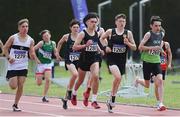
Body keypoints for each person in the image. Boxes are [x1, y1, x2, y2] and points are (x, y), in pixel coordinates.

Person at [100, 13, 136, 113]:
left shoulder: (128, 33)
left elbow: (134, 47)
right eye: (120, 21)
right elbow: (101, 39)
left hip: (121, 60)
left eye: (123, 21)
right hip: (111, 59)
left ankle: (111, 99)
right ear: (116, 22)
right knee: (118, 77)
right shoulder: (110, 31)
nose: (122, 23)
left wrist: (128, 43)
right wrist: (105, 47)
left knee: (118, 80)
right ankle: (113, 99)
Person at [3, 18, 37, 111]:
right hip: (13, 65)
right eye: (23, 26)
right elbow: (5, 48)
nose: (25, 28)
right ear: (19, 28)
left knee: (21, 85)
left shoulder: (30, 40)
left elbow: (31, 52)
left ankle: (15, 104)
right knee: (13, 86)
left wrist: (33, 56)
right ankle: (9, 77)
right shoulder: (13, 38)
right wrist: (9, 57)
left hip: (23, 65)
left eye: (26, 26)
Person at [71, 13, 103, 109]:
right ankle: (74, 93)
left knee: (96, 76)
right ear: (86, 23)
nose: (94, 24)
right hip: (84, 59)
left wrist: (99, 50)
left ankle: (94, 100)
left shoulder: (97, 32)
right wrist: (85, 45)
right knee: (80, 81)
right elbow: (74, 47)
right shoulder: (82, 33)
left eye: (95, 22)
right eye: (92, 22)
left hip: (94, 58)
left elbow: (95, 42)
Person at [135, 16, 166, 111]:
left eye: (159, 26)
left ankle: (160, 103)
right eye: (156, 26)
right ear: (151, 26)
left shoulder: (162, 34)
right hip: (147, 62)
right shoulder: (148, 34)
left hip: (156, 61)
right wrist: (152, 48)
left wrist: (161, 50)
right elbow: (140, 47)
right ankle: (138, 80)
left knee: (160, 81)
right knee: (147, 85)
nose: (158, 28)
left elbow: (160, 43)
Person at [57, 19, 80, 109]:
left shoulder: (81, 36)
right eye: (74, 27)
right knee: (75, 74)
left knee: (75, 77)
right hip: (69, 60)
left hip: (79, 60)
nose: (76, 29)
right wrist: (57, 53)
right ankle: (70, 92)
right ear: (70, 28)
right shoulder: (66, 36)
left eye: (77, 27)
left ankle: (65, 99)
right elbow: (59, 43)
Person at [82, 12, 105, 107]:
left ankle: (89, 92)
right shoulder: (85, 30)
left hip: (97, 54)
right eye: (93, 20)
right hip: (87, 56)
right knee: (90, 74)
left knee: (95, 75)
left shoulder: (101, 30)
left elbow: (103, 40)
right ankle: (87, 90)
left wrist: (105, 46)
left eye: (97, 20)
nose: (95, 22)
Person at [34, 29, 58, 102]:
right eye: (44, 36)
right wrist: (36, 59)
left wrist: (57, 56)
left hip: (48, 64)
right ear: (43, 38)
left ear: (50, 35)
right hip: (40, 65)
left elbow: (55, 51)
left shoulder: (53, 43)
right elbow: (32, 50)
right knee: (39, 83)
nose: (46, 37)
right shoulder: (41, 43)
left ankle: (44, 96)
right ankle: (39, 75)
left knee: (48, 80)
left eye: (47, 35)